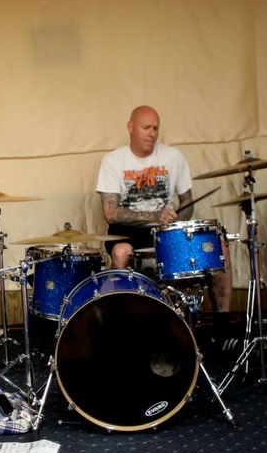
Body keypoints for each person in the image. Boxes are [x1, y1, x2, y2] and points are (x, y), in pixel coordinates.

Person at [95, 105, 235, 350]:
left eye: (155, 128)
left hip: (166, 230)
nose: (152, 133)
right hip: (127, 231)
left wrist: (177, 218)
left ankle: (221, 330)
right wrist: (153, 215)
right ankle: (123, 328)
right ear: (130, 127)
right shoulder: (113, 160)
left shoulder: (174, 156)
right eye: (146, 127)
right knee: (120, 252)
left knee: (219, 247)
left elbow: (188, 202)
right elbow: (110, 212)